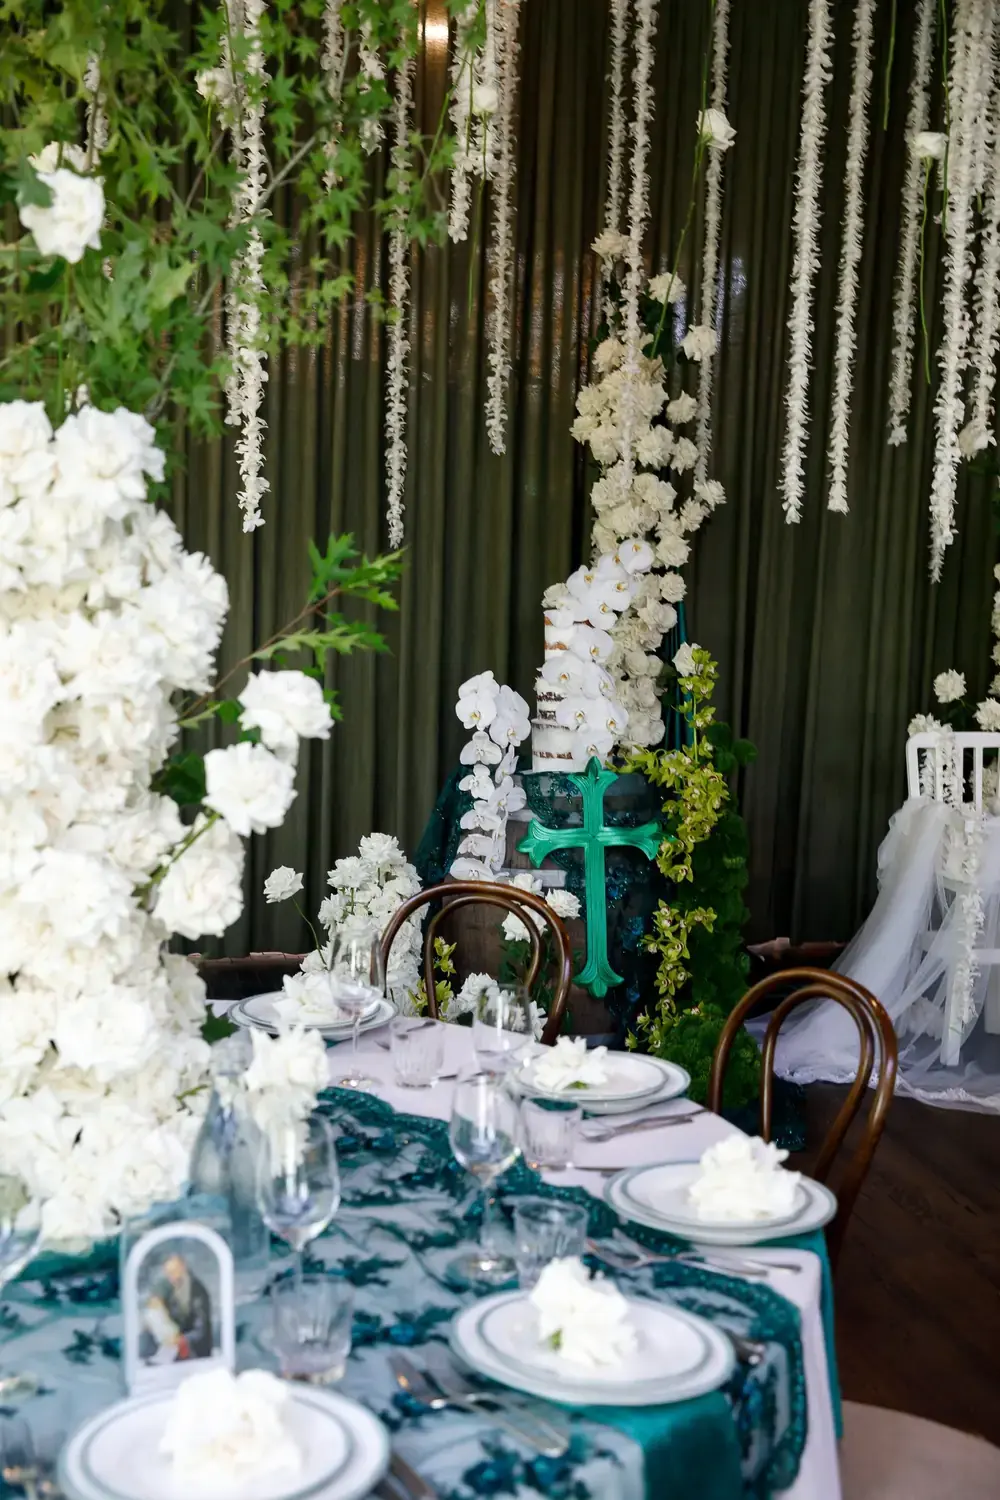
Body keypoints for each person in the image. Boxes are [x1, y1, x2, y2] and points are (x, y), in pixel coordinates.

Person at [139, 1250, 214, 1363]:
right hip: (170, 1344)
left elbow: (201, 1329)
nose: (172, 1276)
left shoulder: (197, 1292)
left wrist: (181, 1340)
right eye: (168, 1272)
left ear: (183, 1268)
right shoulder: (169, 1284)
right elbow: (157, 1295)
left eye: (174, 1271)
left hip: (194, 1352)